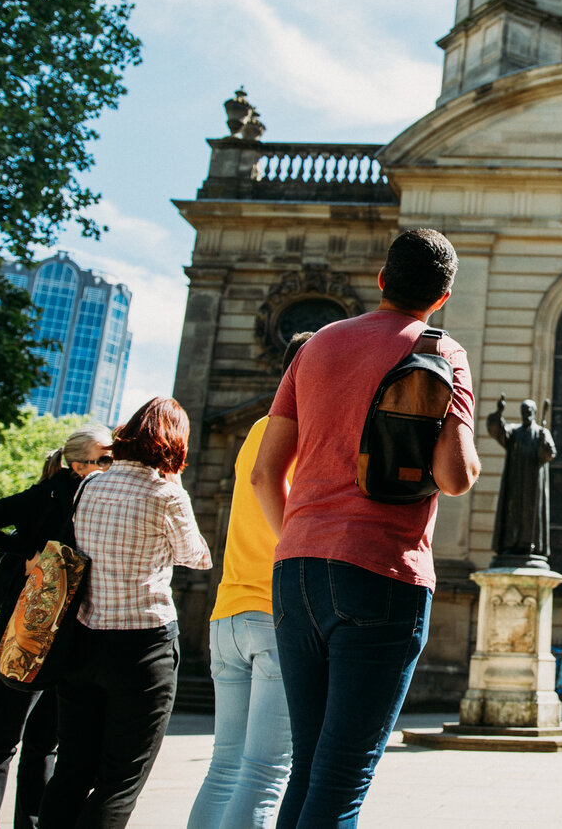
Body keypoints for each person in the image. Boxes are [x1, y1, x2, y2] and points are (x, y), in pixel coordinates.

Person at [251, 228, 480, 829]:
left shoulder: (317, 345)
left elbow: (263, 475)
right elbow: (454, 477)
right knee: (342, 779)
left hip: (296, 571)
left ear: (381, 280)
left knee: (308, 769)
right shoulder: (441, 352)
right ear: (444, 295)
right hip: (385, 571)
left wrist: (300, 540)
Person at [38, 397, 212, 827]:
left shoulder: (90, 486)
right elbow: (198, 557)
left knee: (72, 770)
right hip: (142, 647)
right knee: (120, 779)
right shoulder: (166, 493)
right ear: (174, 443)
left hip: (82, 641)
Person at [0, 424, 113, 829]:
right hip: (24, 632)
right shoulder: (45, 494)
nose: (112, 466)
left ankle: (31, 822)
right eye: (106, 459)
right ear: (79, 464)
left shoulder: (97, 499)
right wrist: (29, 552)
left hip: (68, 637)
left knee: (45, 742)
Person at [187, 332, 313, 829]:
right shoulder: (308, 430)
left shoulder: (258, 428)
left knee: (224, 768)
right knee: (265, 772)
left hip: (227, 617)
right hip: (275, 615)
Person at [486, 395, 556, 566]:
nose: (527, 414)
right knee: (512, 513)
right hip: (515, 484)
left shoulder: (541, 432)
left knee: (531, 515)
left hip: (533, 486)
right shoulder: (514, 432)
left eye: (530, 411)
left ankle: (529, 546)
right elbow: (498, 431)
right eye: (524, 411)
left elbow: (549, 454)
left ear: (534, 412)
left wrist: (544, 441)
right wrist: (499, 413)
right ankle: (511, 545)